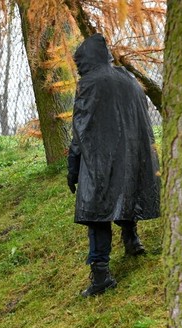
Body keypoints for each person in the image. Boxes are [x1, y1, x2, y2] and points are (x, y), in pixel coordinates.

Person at [67, 33, 161, 297]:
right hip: (133, 154)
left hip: (100, 159)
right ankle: (132, 241)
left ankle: (100, 275)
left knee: (97, 211)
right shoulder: (127, 78)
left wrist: (73, 167)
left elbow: (80, 130)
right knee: (126, 191)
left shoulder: (90, 84)